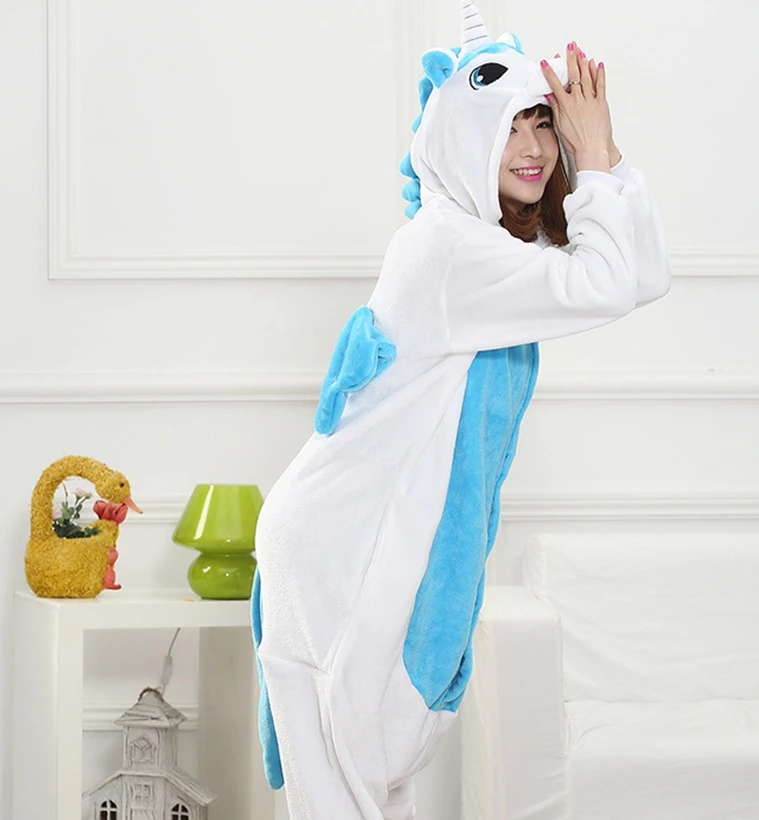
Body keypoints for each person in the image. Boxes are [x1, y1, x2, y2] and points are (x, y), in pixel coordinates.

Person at [251, 3, 671, 818]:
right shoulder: (446, 251)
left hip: (372, 536)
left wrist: (605, 152)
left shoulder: (493, 248)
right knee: (350, 788)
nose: (533, 147)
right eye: (506, 126)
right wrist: (591, 156)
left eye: (543, 123)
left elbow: (640, 276)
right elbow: (608, 280)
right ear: (459, 137)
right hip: (340, 545)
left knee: (378, 779)